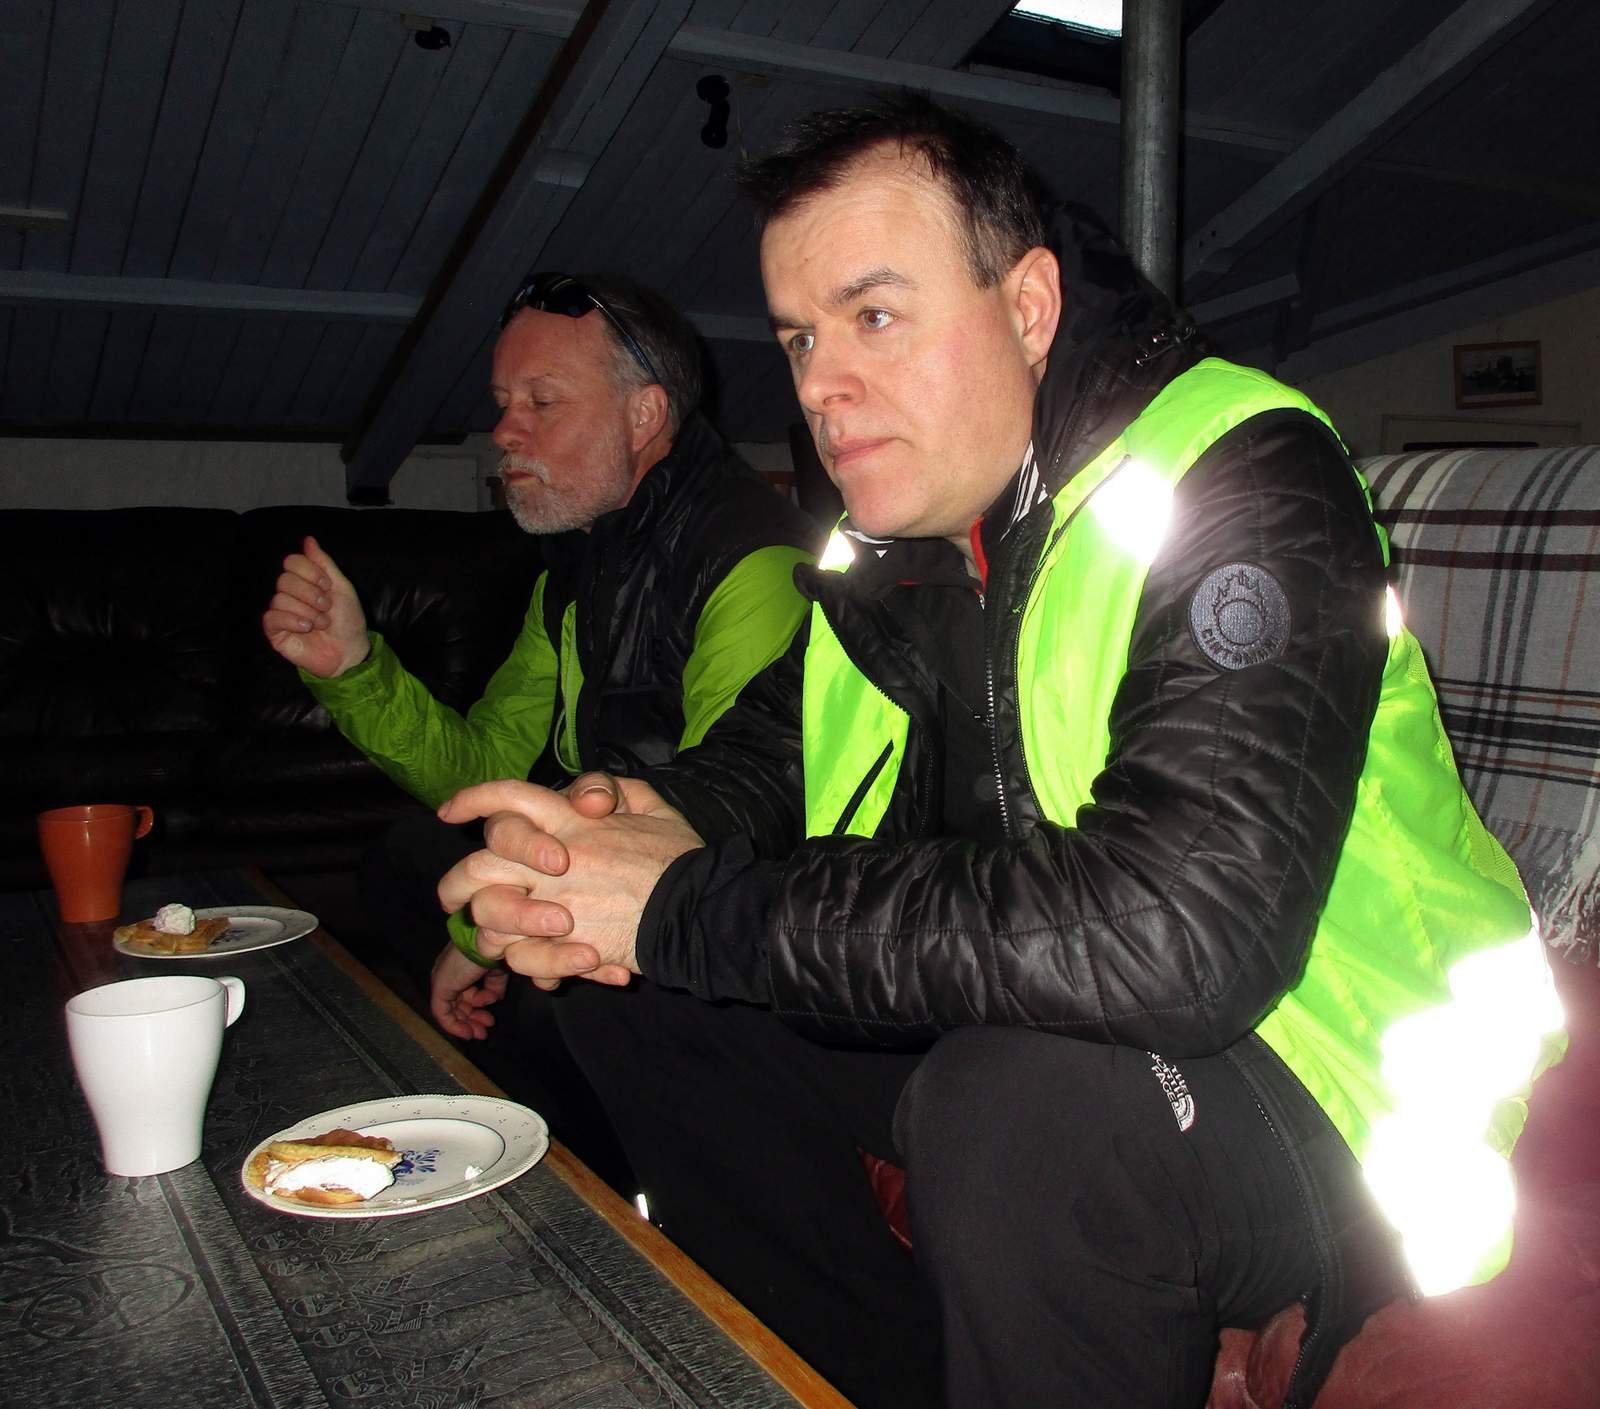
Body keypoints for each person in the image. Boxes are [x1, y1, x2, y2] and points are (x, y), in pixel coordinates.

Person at [427, 100, 1565, 1409]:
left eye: (874, 315)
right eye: (800, 337)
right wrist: (590, 856)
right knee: (646, 991)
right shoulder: (898, 540)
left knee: (1022, 1112)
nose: (819, 384)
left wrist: (688, 906)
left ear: (1027, 307)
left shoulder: (1241, 477)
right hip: (1069, 1003)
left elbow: (1177, 934)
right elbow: (760, 764)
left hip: (1354, 1070)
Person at [262, 271, 816, 1180]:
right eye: (503, 402)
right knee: (407, 857)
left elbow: (710, 833)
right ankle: (534, 1140)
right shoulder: (576, 569)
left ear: (644, 414)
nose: (505, 432)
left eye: (542, 402)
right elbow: (479, 770)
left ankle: (608, 1197)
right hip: (596, 879)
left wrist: (484, 936)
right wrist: (355, 669)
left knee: (572, 993)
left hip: (720, 922)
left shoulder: (752, 560)